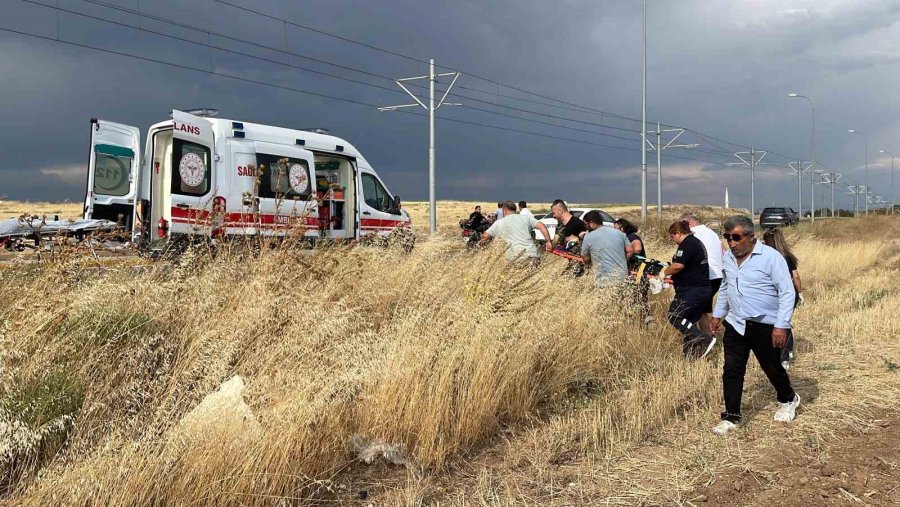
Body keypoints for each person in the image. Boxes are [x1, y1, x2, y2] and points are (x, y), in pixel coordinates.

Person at [710, 215, 800, 436]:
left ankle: (788, 399)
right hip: (736, 323)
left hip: (764, 324)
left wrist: (781, 325)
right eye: (727, 237)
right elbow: (726, 287)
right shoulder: (728, 258)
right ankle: (731, 416)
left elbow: (787, 292)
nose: (731, 243)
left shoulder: (771, 258)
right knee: (732, 369)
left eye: (736, 237)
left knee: (771, 367)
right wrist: (718, 314)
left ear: (751, 237)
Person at [659, 222, 716, 359]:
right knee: (689, 322)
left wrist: (664, 273)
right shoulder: (695, 242)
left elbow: (678, 265)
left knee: (675, 316)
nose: (673, 240)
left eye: (672, 236)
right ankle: (691, 355)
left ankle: (704, 339)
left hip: (692, 290)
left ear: (678, 234)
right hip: (700, 289)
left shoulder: (687, 244)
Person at [762, 228, 802, 370]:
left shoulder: (766, 257)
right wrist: (800, 293)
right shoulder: (787, 256)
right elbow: (795, 276)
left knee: (777, 324)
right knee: (784, 321)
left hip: (775, 295)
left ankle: (783, 356)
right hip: (790, 294)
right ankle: (788, 351)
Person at [680, 212, 724, 335]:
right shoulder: (711, 232)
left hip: (704, 276)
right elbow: (723, 250)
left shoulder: (693, 233)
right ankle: (709, 337)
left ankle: (701, 338)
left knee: (692, 310)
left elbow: (688, 256)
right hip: (718, 275)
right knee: (703, 309)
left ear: (687, 223)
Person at [481, 200, 552, 263]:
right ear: (515, 209)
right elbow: (541, 226)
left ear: (504, 211)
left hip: (516, 258)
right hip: (533, 255)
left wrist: (480, 245)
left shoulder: (499, 223)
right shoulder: (526, 218)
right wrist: (548, 242)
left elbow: (485, 236)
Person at [580, 211, 633, 288]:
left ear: (591, 223)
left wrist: (590, 265)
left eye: (585, 224)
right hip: (622, 279)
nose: (585, 227)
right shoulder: (620, 233)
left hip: (603, 280)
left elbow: (585, 258)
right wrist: (621, 261)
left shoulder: (588, 237)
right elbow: (630, 251)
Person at [614, 218, 651, 324]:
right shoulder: (625, 237)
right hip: (634, 271)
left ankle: (646, 321)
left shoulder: (631, 236)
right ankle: (636, 321)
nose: (614, 231)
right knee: (634, 297)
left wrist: (626, 255)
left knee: (640, 296)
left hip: (638, 271)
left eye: (616, 228)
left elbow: (638, 248)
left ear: (622, 228)